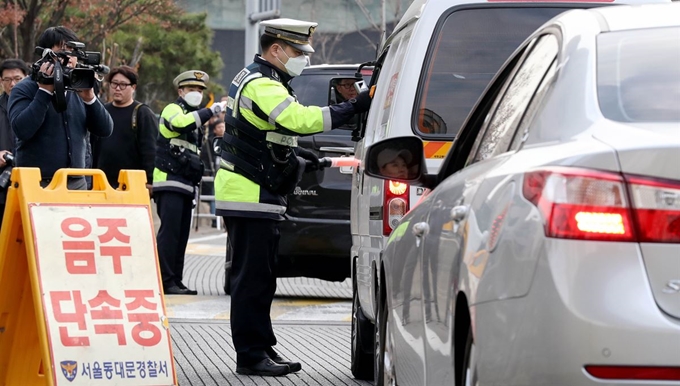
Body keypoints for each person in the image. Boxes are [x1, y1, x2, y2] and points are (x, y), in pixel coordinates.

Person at [214, 18, 372, 377]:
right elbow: (299, 121)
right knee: (252, 279)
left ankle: (261, 345)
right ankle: (251, 355)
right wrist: (355, 105)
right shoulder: (261, 83)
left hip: (256, 191)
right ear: (276, 50)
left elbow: (268, 135)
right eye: (298, 52)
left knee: (261, 277)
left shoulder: (268, 81)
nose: (302, 58)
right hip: (248, 193)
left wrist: (302, 157)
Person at [8, 26, 113, 189]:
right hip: (38, 183)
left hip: (76, 182)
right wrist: (44, 91)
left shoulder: (80, 87)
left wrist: (90, 99)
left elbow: (105, 129)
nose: (70, 59)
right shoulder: (24, 88)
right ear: (46, 55)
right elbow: (22, 130)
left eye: (74, 53)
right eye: (63, 52)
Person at [153, 70, 226, 296]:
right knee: (170, 233)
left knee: (182, 235)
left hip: (185, 183)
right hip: (168, 180)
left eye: (200, 90)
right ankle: (165, 280)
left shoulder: (197, 118)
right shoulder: (173, 109)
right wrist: (210, 111)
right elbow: (180, 124)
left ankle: (176, 279)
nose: (196, 93)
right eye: (192, 89)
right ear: (180, 91)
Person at [92, 66, 157, 192]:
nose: (117, 88)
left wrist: (149, 181)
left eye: (123, 85)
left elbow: (150, 151)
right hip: (101, 184)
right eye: (114, 84)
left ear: (133, 87)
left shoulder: (142, 113)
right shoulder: (102, 111)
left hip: (132, 185)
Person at [0, 59, 29, 228]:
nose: (13, 84)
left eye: (18, 79)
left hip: (31, 184)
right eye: (7, 80)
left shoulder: (37, 105)